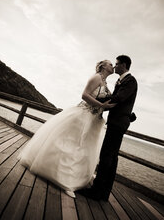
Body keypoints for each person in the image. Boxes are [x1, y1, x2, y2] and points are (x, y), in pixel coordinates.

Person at [18, 60, 116, 198]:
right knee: (73, 145)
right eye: (110, 64)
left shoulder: (105, 83)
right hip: (83, 115)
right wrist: (102, 105)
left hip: (94, 120)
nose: (113, 66)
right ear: (103, 66)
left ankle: (76, 177)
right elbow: (84, 95)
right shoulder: (96, 77)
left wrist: (104, 107)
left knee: (84, 149)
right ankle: (65, 181)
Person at [77, 55, 138, 201]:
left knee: (106, 156)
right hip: (116, 122)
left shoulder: (130, 80)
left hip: (118, 123)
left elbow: (119, 99)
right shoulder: (121, 81)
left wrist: (95, 102)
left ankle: (97, 191)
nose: (115, 66)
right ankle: (104, 192)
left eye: (116, 64)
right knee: (111, 157)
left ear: (123, 65)